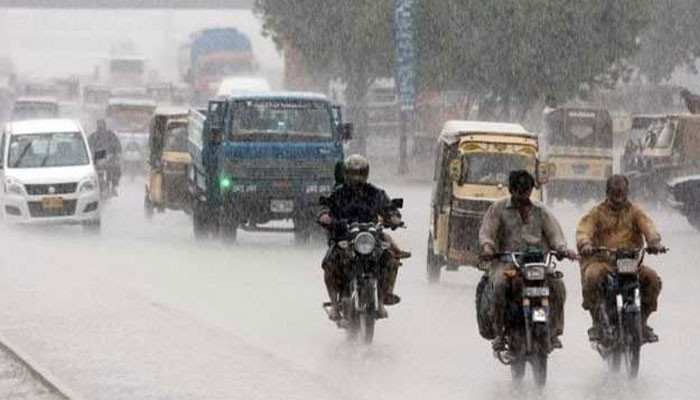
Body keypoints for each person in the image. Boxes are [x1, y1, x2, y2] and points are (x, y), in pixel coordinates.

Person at [479, 170, 577, 351]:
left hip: (537, 264)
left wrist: (563, 250)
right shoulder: (498, 209)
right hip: (507, 264)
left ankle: (554, 331)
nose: (524, 196)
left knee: (557, 286)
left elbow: (555, 234)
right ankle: (499, 333)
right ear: (511, 190)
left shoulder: (541, 210)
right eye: (519, 191)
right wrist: (488, 248)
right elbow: (487, 233)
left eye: (527, 191)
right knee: (500, 286)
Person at [576, 174, 665, 343]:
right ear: (607, 192)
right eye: (614, 192)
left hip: (630, 263)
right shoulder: (597, 213)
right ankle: (596, 321)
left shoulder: (635, 212)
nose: (618, 196)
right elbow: (584, 229)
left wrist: (654, 242)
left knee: (652, 279)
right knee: (592, 277)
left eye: (622, 192)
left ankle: (642, 322)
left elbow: (648, 226)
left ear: (627, 192)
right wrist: (585, 243)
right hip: (603, 262)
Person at [317, 154, 405, 320]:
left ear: (366, 173)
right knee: (329, 266)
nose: (356, 177)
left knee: (392, 260)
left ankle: (384, 295)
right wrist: (325, 217)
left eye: (360, 173)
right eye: (352, 173)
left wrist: (394, 218)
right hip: (344, 238)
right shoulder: (338, 194)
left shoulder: (375, 193)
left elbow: (389, 208)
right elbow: (325, 207)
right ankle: (335, 306)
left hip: (370, 238)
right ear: (346, 174)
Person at [88, 119, 122, 194]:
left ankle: (114, 186)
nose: (101, 128)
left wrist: (116, 154)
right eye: (99, 127)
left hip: (110, 159)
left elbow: (117, 146)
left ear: (105, 126)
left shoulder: (111, 135)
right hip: (97, 160)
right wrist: (92, 155)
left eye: (102, 126)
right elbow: (88, 147)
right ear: (97, 127)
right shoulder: (93, 137)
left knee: (117, 169)